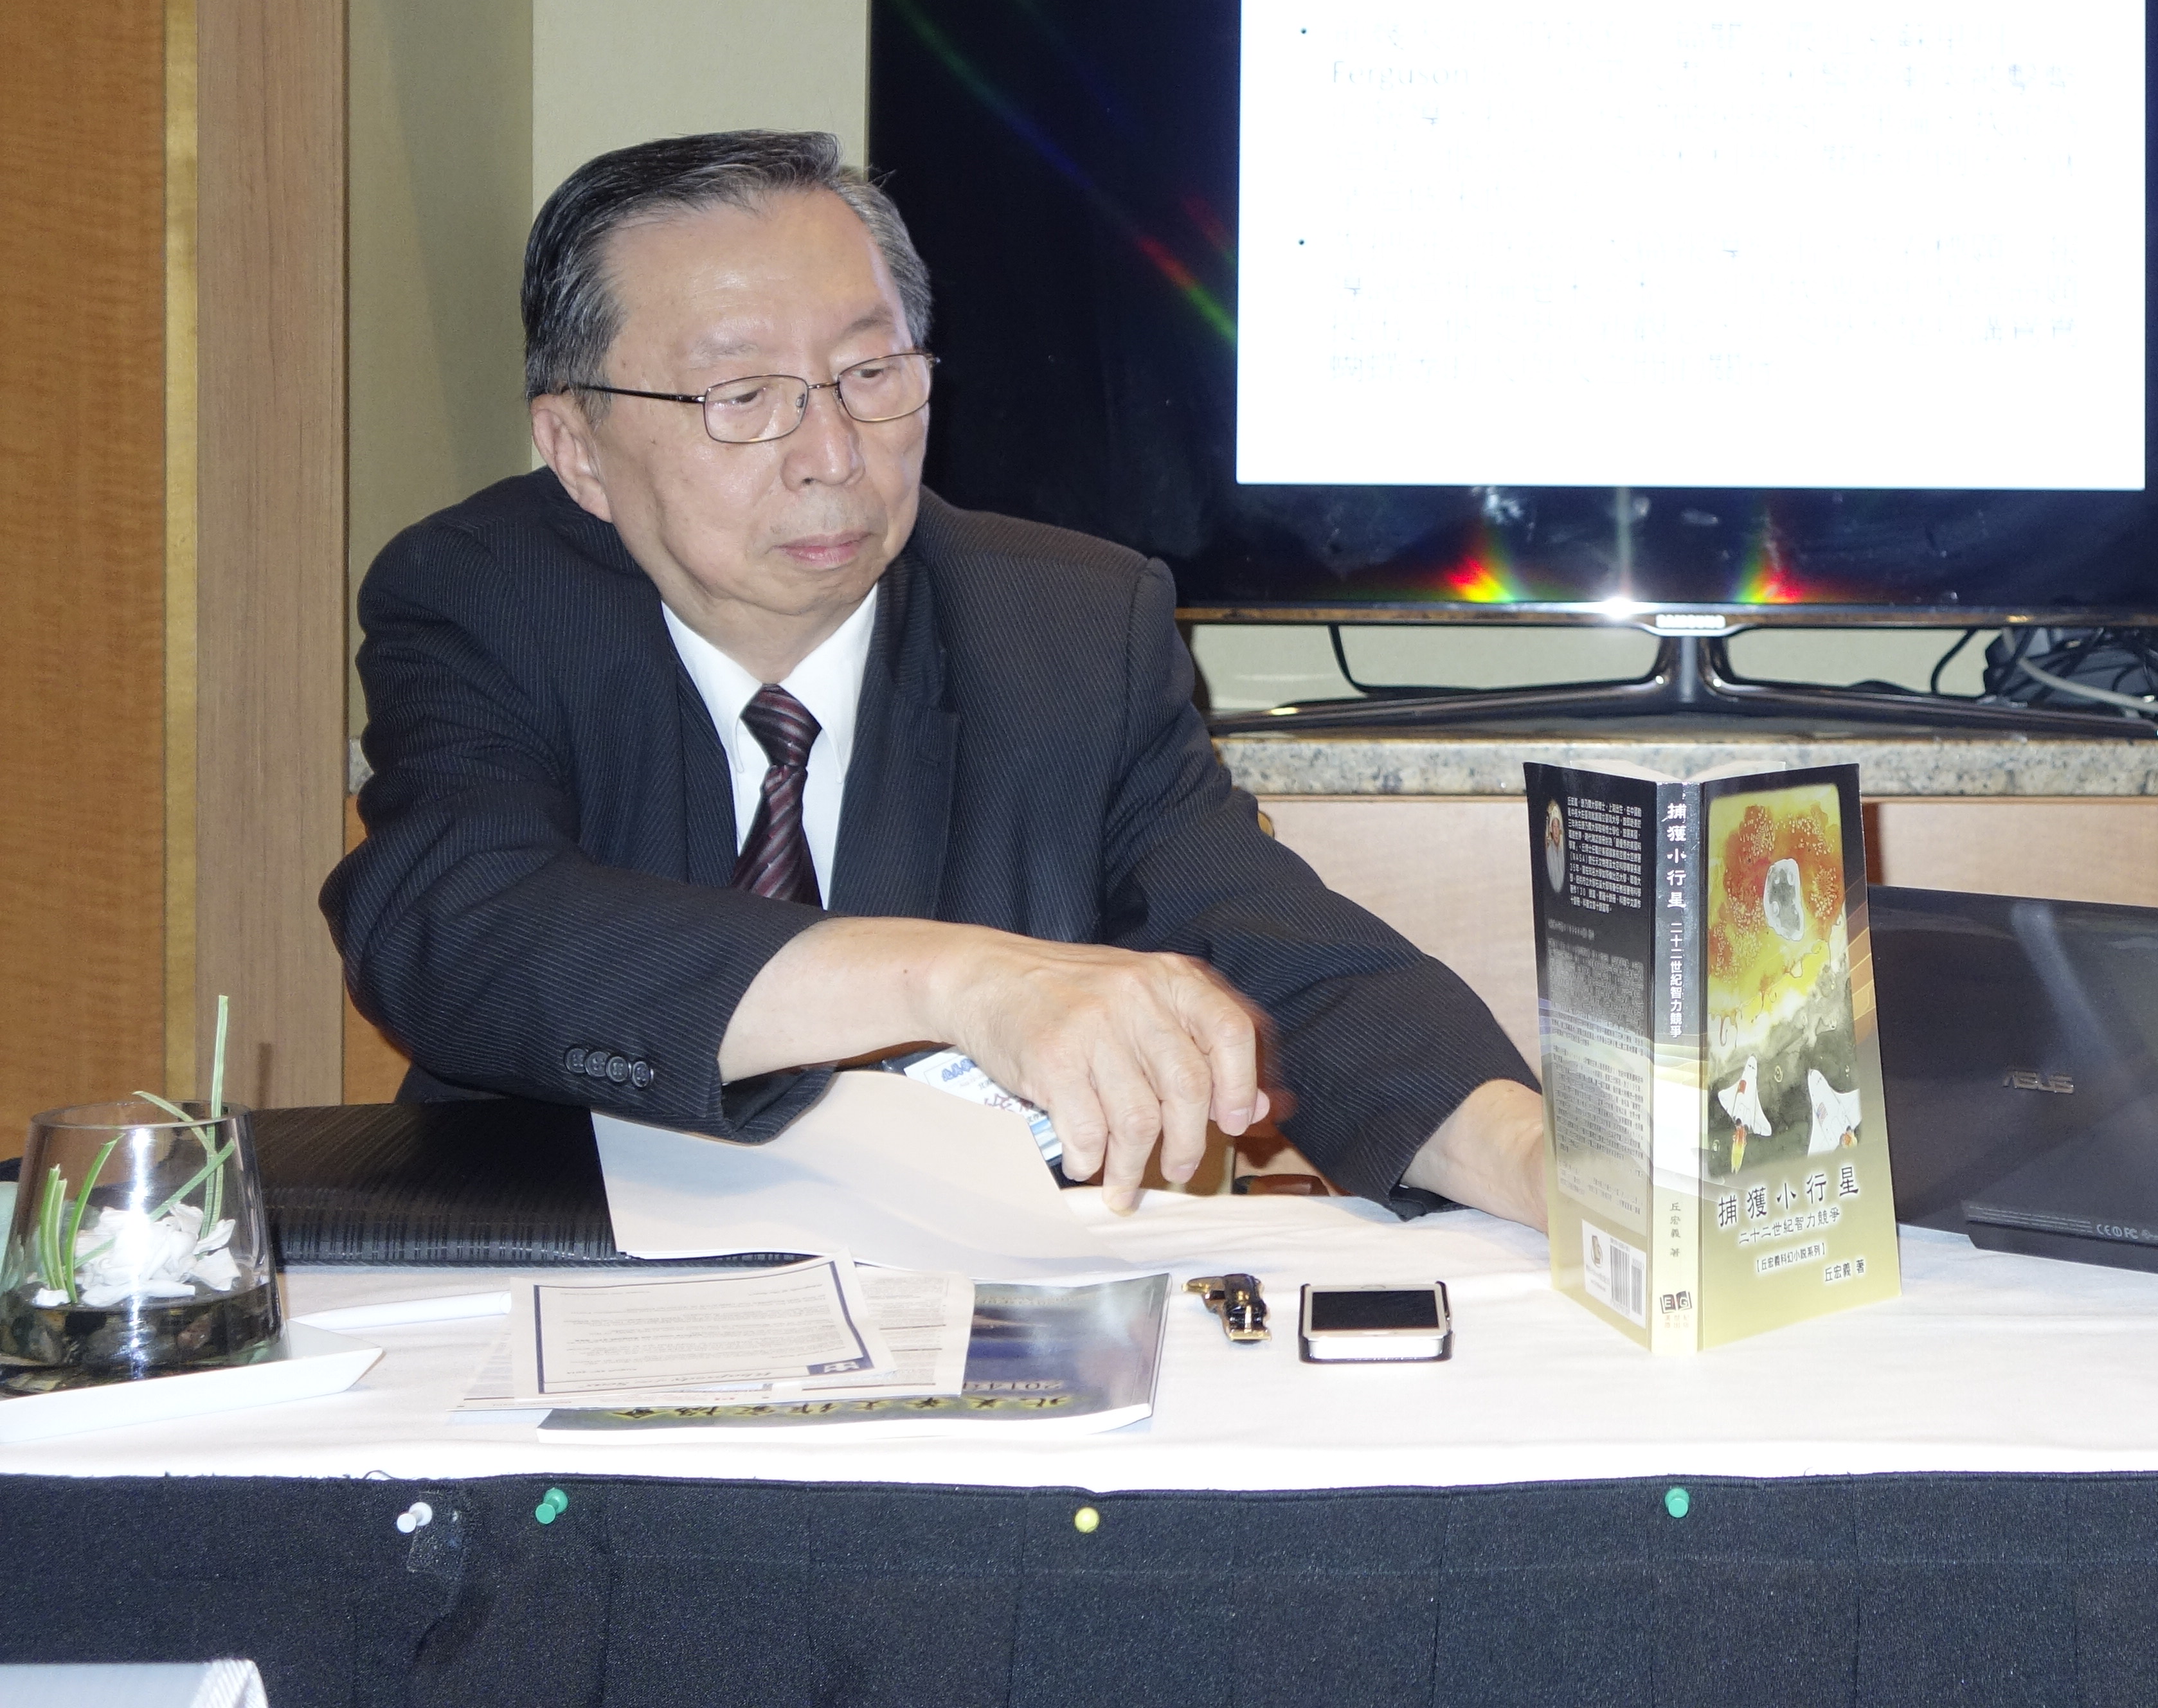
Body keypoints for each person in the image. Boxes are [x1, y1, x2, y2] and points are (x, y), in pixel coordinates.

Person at [327, 130, 1547, 1226]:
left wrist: (1544, 1163)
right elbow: (457, 928)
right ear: (577, 449)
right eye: (742, 397)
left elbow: (1278, 952)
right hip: (563, 1264)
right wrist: (958, 980)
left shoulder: (1066, 627)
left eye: (872, 375)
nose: (831, 453)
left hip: (958, 1287)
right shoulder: (485, 597)